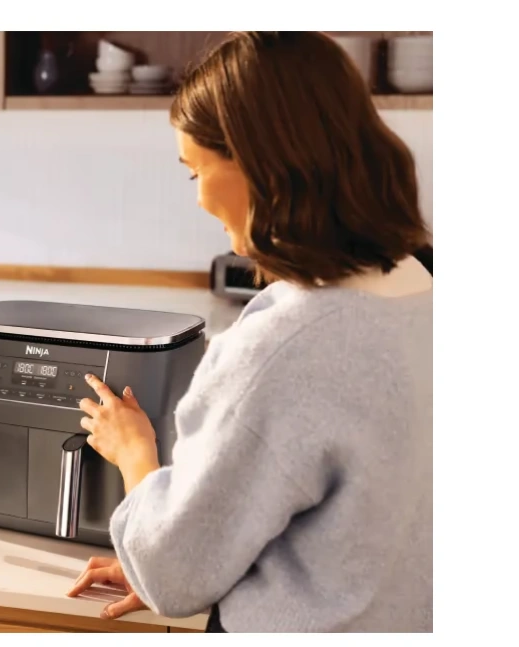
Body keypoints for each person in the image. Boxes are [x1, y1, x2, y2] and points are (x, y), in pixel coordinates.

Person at [66, 31, 432, 633]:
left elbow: (173, 573)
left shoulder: (283, 346)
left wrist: (135, 453)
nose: (199, 200)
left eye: (195, 173)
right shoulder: (422, 289)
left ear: (256, 162)